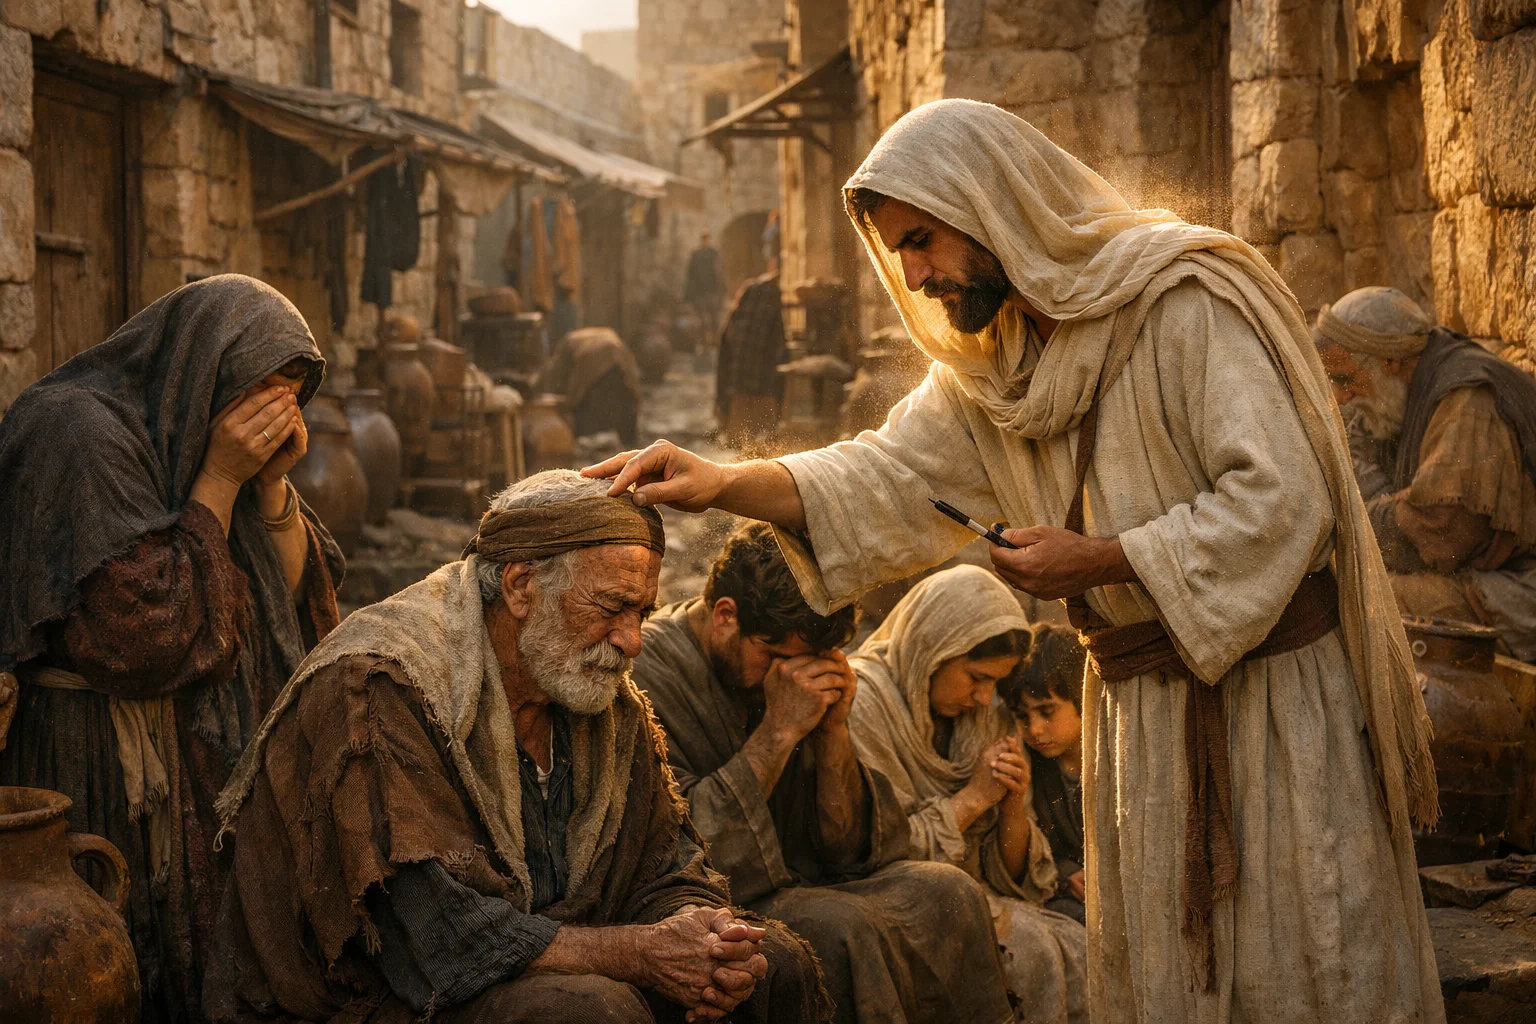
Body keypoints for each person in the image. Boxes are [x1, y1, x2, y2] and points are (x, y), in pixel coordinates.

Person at [586, 99, 1444, 1023]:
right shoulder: (995, 370)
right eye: (899, 251)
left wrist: (1101, 561)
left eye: (923, 240)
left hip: (1270, 705)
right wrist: (723, 482)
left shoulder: (1184, 303)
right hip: (1146, 715)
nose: (914, 276)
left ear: (990, 205)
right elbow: (882, 475)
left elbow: (1285, 502)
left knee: (1305, 953)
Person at [204, 472, 826, 1024]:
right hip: (378, 997)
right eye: (612, 607)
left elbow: (663, 863)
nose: (632, 641)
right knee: (588, 1011)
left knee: (774, 966)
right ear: (522, 586)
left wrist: (703, 934)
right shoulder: (382, 689)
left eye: (642, 612)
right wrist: (639, 953)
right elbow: (438, 937)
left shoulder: (603, 699)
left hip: (543, 970)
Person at [0, 275, 343, 1024]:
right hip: (97, 755)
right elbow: (144, 637)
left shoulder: (192, 429)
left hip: (188, 750)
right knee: (102, 961)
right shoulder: (78, 434)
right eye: (261, 391)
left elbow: (293, 602)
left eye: (291, 395)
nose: (272, 416)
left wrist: (269, 485)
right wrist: (219, 478)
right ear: (202, 367)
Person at [631, 523, 1014, 1024]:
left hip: (802, 879)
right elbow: (678, 847)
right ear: (725, 616)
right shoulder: (646, 672)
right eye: (777, 658)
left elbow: (847, 850)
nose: (790, 677)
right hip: (707, 900)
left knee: (948, 891)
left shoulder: (784, 665)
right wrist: (779, 730)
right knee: (841, 926)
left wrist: (833, 733)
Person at [846, 565, 1086, 1024]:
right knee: (1032, 952)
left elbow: (1013, 876)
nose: (983, 697)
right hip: (891, 902)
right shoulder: (863, 706)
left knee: (1083, 953)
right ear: (934, 649)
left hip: (979, 898)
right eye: (976, 677)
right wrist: (973, 798)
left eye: (995, 683)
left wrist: (1011, 806)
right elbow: (866, 852)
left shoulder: (986, 718)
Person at [1314, 285, 1536, 662]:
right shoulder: (1397, 391)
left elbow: (1443, 532)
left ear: (1389, 362)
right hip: (1476, 573)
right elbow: (1356, 459)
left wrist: (1361, 522)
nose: (1342, 396)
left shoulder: (1468, 401)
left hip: (1519, 588)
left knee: (1369, 601)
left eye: (1347, 379)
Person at [1010, 624, 1088, 926]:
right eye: (1023, 716)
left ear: (1082, 697)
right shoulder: (1034, 765)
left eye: (1047, 711)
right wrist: (1067, 873)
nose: (1034, 729)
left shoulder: (1111, 761)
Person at [536, 325, 642, 445]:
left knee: (581, 402)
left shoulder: (569, 340)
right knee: (627, 399)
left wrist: (568, 401)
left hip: (593, 359)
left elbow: (556, 372)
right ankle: (630, 443)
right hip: (619, 356)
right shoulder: (600, 333)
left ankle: (575, 441)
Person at [715, 270, 788, 439]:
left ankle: (741, 440)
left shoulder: (742, 308)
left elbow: (725, 347)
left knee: (741, 436)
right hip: (761, 386)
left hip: (737, 383)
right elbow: (779, 346)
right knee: (760, 434)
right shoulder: (770, 303)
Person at [683, 231, 726, 342]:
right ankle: (703, 340)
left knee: (713, 316)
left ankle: (714, 340)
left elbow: (719, 272)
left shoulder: (713, 253)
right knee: (701, 317)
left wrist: (721, 289)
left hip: (712, 290)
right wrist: (688, 293)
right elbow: (690, 273)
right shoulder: (695, 254)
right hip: (700, 291)